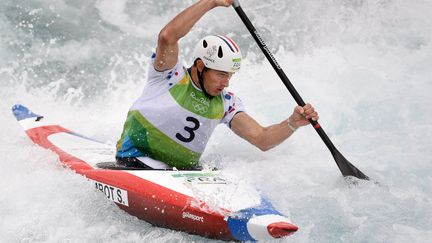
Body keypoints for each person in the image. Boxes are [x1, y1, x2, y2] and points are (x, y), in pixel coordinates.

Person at [116, 0, 319, 170]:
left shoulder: (227, 103)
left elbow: (262, 139)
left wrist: (292, 123)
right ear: (201, 66)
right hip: (135, 160)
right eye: (221, 74)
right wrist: (212, 2)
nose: (226, 82)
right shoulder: (169, 76)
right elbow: (167, 36)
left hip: (182, 174)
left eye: (230, 75)